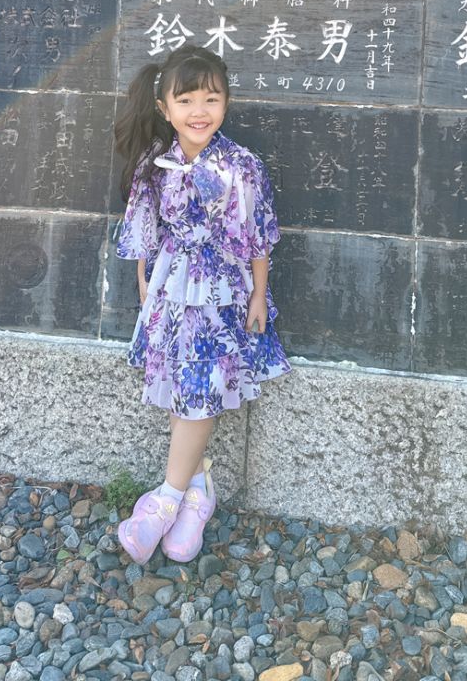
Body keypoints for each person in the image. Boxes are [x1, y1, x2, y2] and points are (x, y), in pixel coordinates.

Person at [112, 44, 291, 564]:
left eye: (210, 98)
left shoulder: (242, 165)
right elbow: (146, 228)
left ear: (226, 103)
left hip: (221, 289)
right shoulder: (156, 164)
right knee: (177, 384)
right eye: (186, 99)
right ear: (165, 108)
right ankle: (197, 492)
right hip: (171, 287)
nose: (199, 111)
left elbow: (259, 234)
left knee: (200, 385)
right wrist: (145, 284)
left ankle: (166, 501)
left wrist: (259, 293)